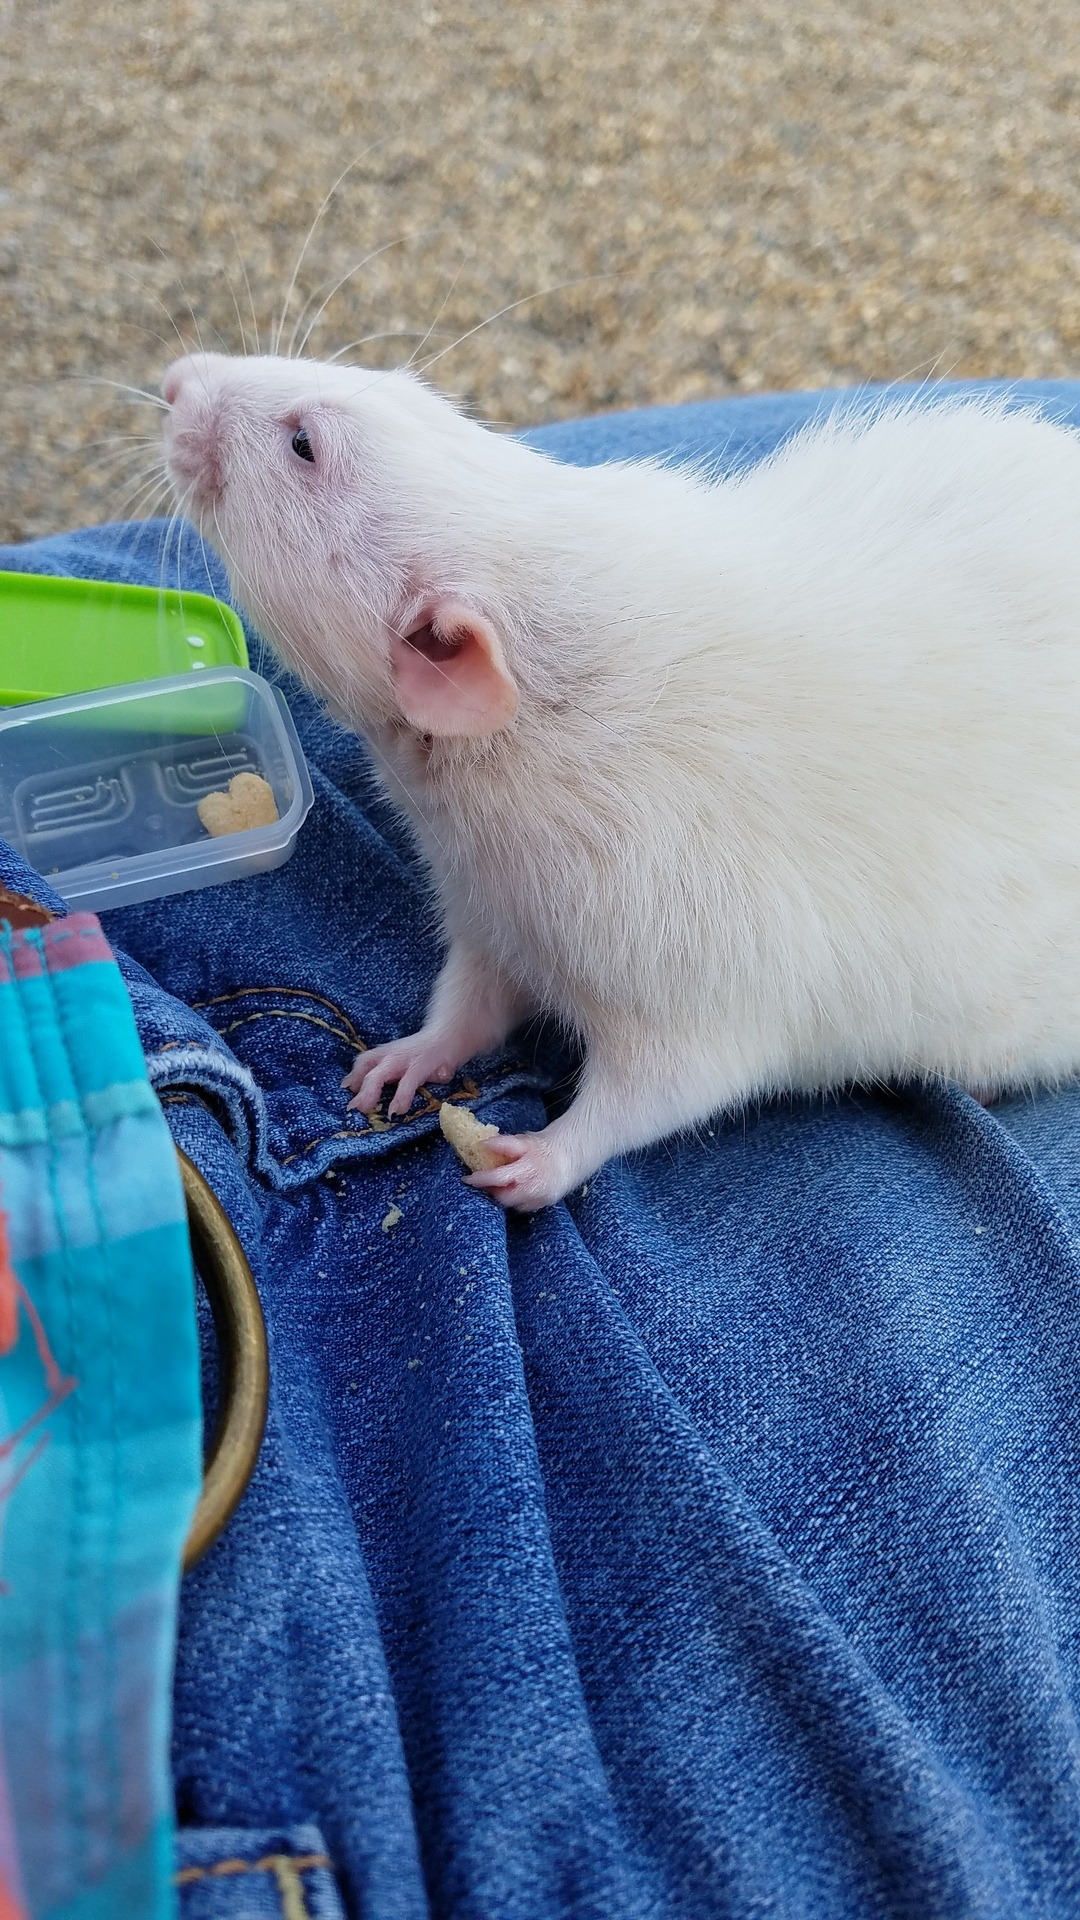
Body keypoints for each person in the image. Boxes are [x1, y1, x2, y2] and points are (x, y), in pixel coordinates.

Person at [4, 381, 1080, 1919]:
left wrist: (578, 1140)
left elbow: (705, 1031)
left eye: (305, 445)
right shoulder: (516, 696)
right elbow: (494, 912)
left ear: (442, 658)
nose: (192, 393)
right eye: (305, 444)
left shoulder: (641, 851)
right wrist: (454, 1027)